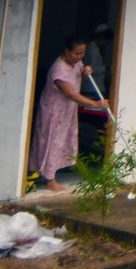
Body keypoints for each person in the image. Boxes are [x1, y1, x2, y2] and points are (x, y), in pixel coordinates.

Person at [29, 36, 108, 192]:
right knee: (51, 142)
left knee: (64, 141)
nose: (79, 57)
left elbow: (79, 73)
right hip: (53, 112)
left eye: (82, 54)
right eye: (76, 53)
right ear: (66, 50)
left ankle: (55, 171)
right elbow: (71, 94)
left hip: (67, 111)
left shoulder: (76, 63)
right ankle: (49, 180)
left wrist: (86, 72)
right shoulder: (58, 69)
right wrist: (95, 104)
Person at [82, 23, 114, 97]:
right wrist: (106, 67)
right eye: (105, 40)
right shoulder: (93, 49)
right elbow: (90, 69)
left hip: (93, 89)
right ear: (100, 37)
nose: (106, 44)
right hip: (91, 90)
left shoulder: (94, 49)